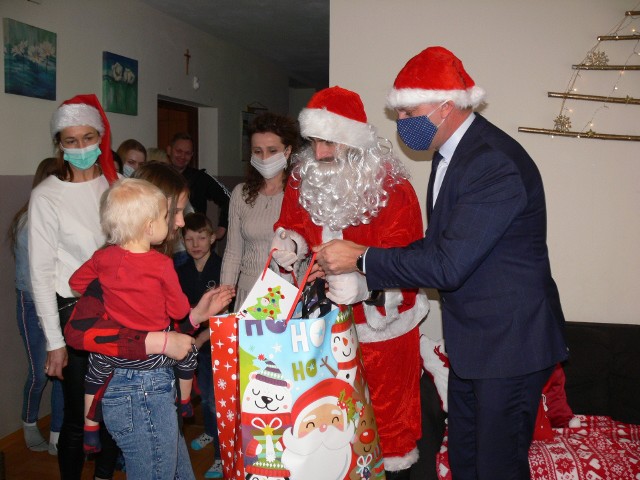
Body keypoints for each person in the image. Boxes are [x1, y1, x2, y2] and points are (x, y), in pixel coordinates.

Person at [314, 46, 568, 480]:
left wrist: (364, 257)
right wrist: (368, 273)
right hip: (476, 347)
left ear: (447, 106)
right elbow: (435, 247)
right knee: (466, 460)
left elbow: (448, 264)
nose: (402, 124)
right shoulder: (451, 155)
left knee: (496, 467)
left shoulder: (491, 162)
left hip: (508, 347)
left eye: (410, 112)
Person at [271, 86, 430, 479]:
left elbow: (414, 266)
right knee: (325, 424)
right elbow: (292, 227)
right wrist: (290, 245)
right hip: (319, 329)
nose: (320, 153)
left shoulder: (396, 191)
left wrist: (367, 287)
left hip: (384, 336)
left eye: (330, 141)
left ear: (355, 141)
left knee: (388, 434)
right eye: (314, 142)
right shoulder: (302, 180)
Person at [63, 161, 235, 479]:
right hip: (137, 393)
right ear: (151, 215)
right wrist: (158, 341)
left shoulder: (154, 261)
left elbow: (159, 326)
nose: (182, 222)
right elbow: (78, 332)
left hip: (155, 387)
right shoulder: (113, 266)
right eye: (178, 211)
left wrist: (196, 315)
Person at [68, 179, 197, 455]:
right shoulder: (162, 265)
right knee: (188, 353)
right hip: (153, 361)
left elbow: (76, 283)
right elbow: (178, 311)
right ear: (149, 226)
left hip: (118, 353)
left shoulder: (103, 258)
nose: (173, 221)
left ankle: (90, 426)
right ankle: (185, 401)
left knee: (94, 374)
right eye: (166, 215)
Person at [29, 93, 120, 479]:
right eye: (71, 141)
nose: (81, 148)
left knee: (115, 407)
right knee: (81, 416)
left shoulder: (115, 186)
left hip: (121, 311)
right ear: (60, 145)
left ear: (100, 138)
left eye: (87, 138)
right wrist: (54, 342)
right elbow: (41, 274)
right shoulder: (47, 196)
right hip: (76, 315)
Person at [9, 157, 63, 455]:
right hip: (32, 303)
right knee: (40, 372)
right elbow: (40, 275)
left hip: (59, 303)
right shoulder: (28, 221)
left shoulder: (59, 217)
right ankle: (29, 424)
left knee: (61, 369)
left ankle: (57, 434)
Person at [220, 111, 300, 310]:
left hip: (286, 293)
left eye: (272, 150)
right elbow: (232, 252)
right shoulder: (241, 193)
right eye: (258, 151)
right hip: (248, 293)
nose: (265, 158)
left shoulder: (300, 193)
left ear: (287, 151)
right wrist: (223, 299)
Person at [176, 212, 223, 479]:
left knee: (214, 400)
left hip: (214, 343)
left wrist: (202, 336)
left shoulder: (221, 268)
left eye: (201, 238)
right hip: (190, 343)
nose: (195, 244)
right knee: (202, 395)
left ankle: (220, 455)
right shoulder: (180, 270)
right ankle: (209, 430)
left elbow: (224, 310)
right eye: (189, 239)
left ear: (212, 238)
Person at [167, 132, 230, 240]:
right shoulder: (159, 176)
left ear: (192, 155)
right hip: (165, 242)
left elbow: (229, 199)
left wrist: (221, 229)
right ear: (169, 150)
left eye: (187, 153)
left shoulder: (201, 177)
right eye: (179, 151)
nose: (182, 156)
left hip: (195, 245)